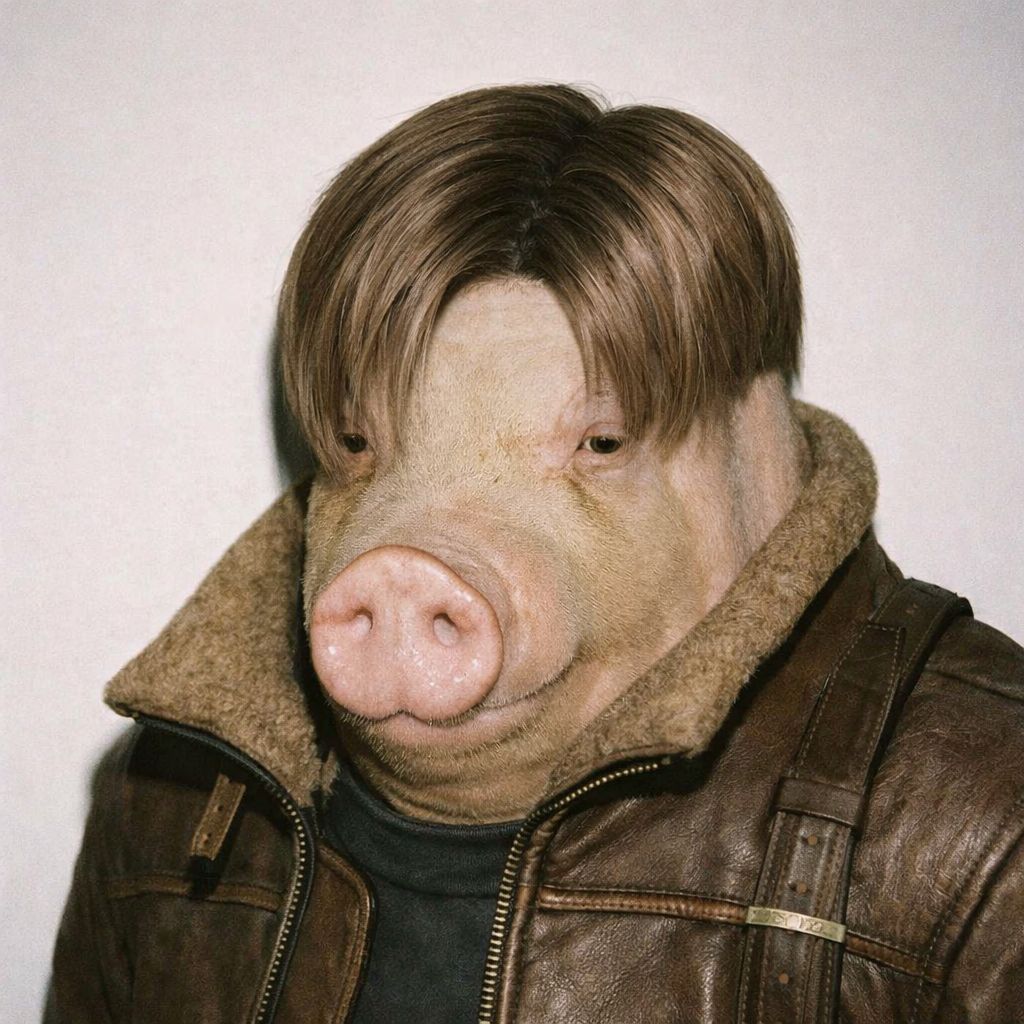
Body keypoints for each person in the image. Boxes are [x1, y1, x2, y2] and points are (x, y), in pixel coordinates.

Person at [46, 84, 1024, 1024]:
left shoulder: (982, 818)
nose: (418, 544)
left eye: (599, 443)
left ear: (750, 437)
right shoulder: (177, 794)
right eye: (358, 441)